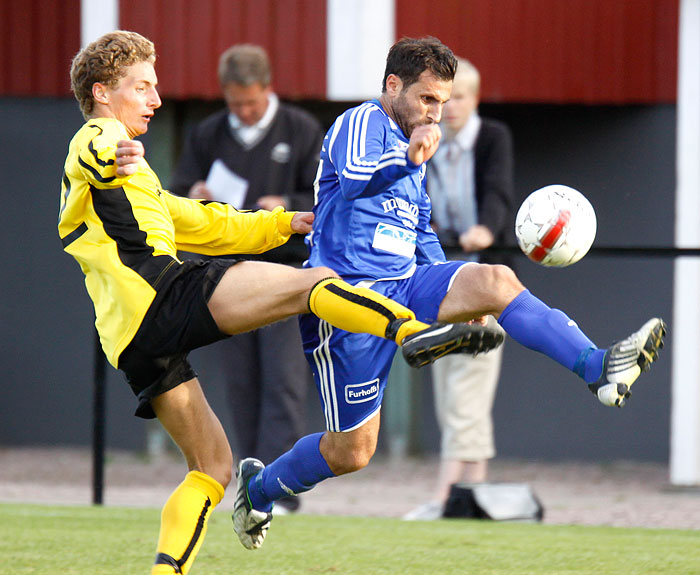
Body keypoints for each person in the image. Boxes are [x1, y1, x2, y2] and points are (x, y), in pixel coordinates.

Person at [60, 31, 501, 575]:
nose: (156, 97)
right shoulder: (102, 140)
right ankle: (413, 328)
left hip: (133, 340)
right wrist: (111, 152)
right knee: (312, 281)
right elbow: (91, 149)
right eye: (143, 85)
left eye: (156, 85)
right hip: (162, 295)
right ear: (103, 94)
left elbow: (197, 220)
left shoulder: (137, 179)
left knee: (213, 466)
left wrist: (281, 223)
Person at [232, 36, 665, 545]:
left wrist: (461, 299)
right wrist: (409, 161)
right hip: (346, 302)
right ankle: (257, 491)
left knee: (496, 280)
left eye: (443, 101)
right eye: (428, 99)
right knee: (352, 451)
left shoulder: (419, 145)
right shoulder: (361, 124)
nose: (437, 112)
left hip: (406, 284)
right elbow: (352, 181)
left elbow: (420, 233)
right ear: (393, 86)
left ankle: (598, 369)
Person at [170, 44, 325, 514]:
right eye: (235, 103)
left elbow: (322, 196)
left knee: (283, 379)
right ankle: (249, 478)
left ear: (268, 89)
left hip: (285, 269)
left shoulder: (301, 129)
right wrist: (194, 195)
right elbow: (176, 192)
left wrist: (285, 201)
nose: (243, 111)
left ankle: (279, 488)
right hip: (225, 273)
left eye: (251, 103)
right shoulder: (208, 133)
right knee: (240, 381)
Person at [404, 58, 514, 521]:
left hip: (483, 277)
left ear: (477, 100)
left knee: (469, 384)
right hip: (440, 275)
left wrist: (485, 230)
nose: (449, 110)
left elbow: (498, 192)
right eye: (443, 101)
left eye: (460, 99)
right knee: (450, 383)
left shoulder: (491, 139)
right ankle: (474, 492)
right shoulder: (429, 141)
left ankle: (449, 493)